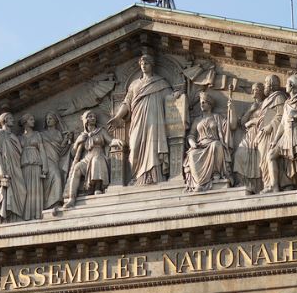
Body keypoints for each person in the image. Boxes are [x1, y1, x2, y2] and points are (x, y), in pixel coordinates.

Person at [108, 54, 171, 185]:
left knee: (153, 145)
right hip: (137, 120)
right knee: (134, 146)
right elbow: (126, 103)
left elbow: (170, 99)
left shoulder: (161, 82)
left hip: (155, 120)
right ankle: (137, 177)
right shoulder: (134, 85)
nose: (143, 66)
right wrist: (118, 116)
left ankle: (154, 177)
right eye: (142, 64)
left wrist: (176, 95)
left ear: (151, 65)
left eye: (146, 63)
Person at [64, 111, 121, 207]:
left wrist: (117, 140)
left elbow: (110, 141)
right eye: (90, 116)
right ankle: (71, 198)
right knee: (77, 168)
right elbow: (73, 154)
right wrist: (77, 142)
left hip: (99, 155)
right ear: (85, 120)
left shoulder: (101, 131)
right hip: (86, 159)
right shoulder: (83, 135)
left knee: (96, 160)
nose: (93, 118)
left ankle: (97, 188)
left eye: (94, 116)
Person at [185, 92, 235, 192]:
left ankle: (216, 173)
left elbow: (232, 125)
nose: (202, 105)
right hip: (200, 145)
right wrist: (192, 143)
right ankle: (199, 182)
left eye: (204, 102)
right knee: (192, 154)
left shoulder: (217, 117)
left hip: (213, 143)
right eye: (201, 103)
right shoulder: (197, 120)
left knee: (216, 145)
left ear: (210, 104)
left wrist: (232, 109)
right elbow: (191, 135)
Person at [0, 113, 27, 224]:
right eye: (10, 118)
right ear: (4, 120)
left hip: (16, 167)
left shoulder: (14, 136)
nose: (13, 120)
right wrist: (0, 169)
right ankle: (7, 218)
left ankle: (17, 215)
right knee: (7, 192)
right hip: (6, 167)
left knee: (21, 190)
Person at [256, 75, 289, 192]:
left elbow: (282, 115)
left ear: (271, 84)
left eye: (265, 82)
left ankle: (273, 184)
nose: (264, 85)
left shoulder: (279, 97)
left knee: (268, 158)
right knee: (263, 160)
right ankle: (268, 183)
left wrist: (270, 126)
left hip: (273, 134)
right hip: (263, 134)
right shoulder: (267, 100)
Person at [233, 83, 265, 194]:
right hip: (249, 134)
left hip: (261, 134)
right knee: (239, 154)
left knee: (259, 159)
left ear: (262, 91)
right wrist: (251, 110)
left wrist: (252, 121)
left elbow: (268, 120)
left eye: (256, 89)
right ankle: (242, 183)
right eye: (253, 89)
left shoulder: (266, 105)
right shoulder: (251, 106)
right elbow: (242, 123)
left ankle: (259, 185)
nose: (254, 91)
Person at [19, 114, 48, 220]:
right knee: (26, 190)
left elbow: (42, 150)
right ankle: (26, 216)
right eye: (31, 120)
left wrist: (45, 166)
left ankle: (37, 214)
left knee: (36, 190)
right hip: (24, 166)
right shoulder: (20, 137)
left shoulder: (37, 134)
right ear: (25, 122)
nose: (33, 122)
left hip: (36, 165)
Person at [42, 111, 73, 210]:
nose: (48, 120)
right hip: (46, 160)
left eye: (50, 118)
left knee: (56, 176)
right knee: (56, 176)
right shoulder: (42, 134)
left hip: (56, 159)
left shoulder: (59, 134)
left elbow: (61, 149)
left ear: (56, 120)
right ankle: (54, 203)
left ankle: (52, 202)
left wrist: (68, 140)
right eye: (47, 119)